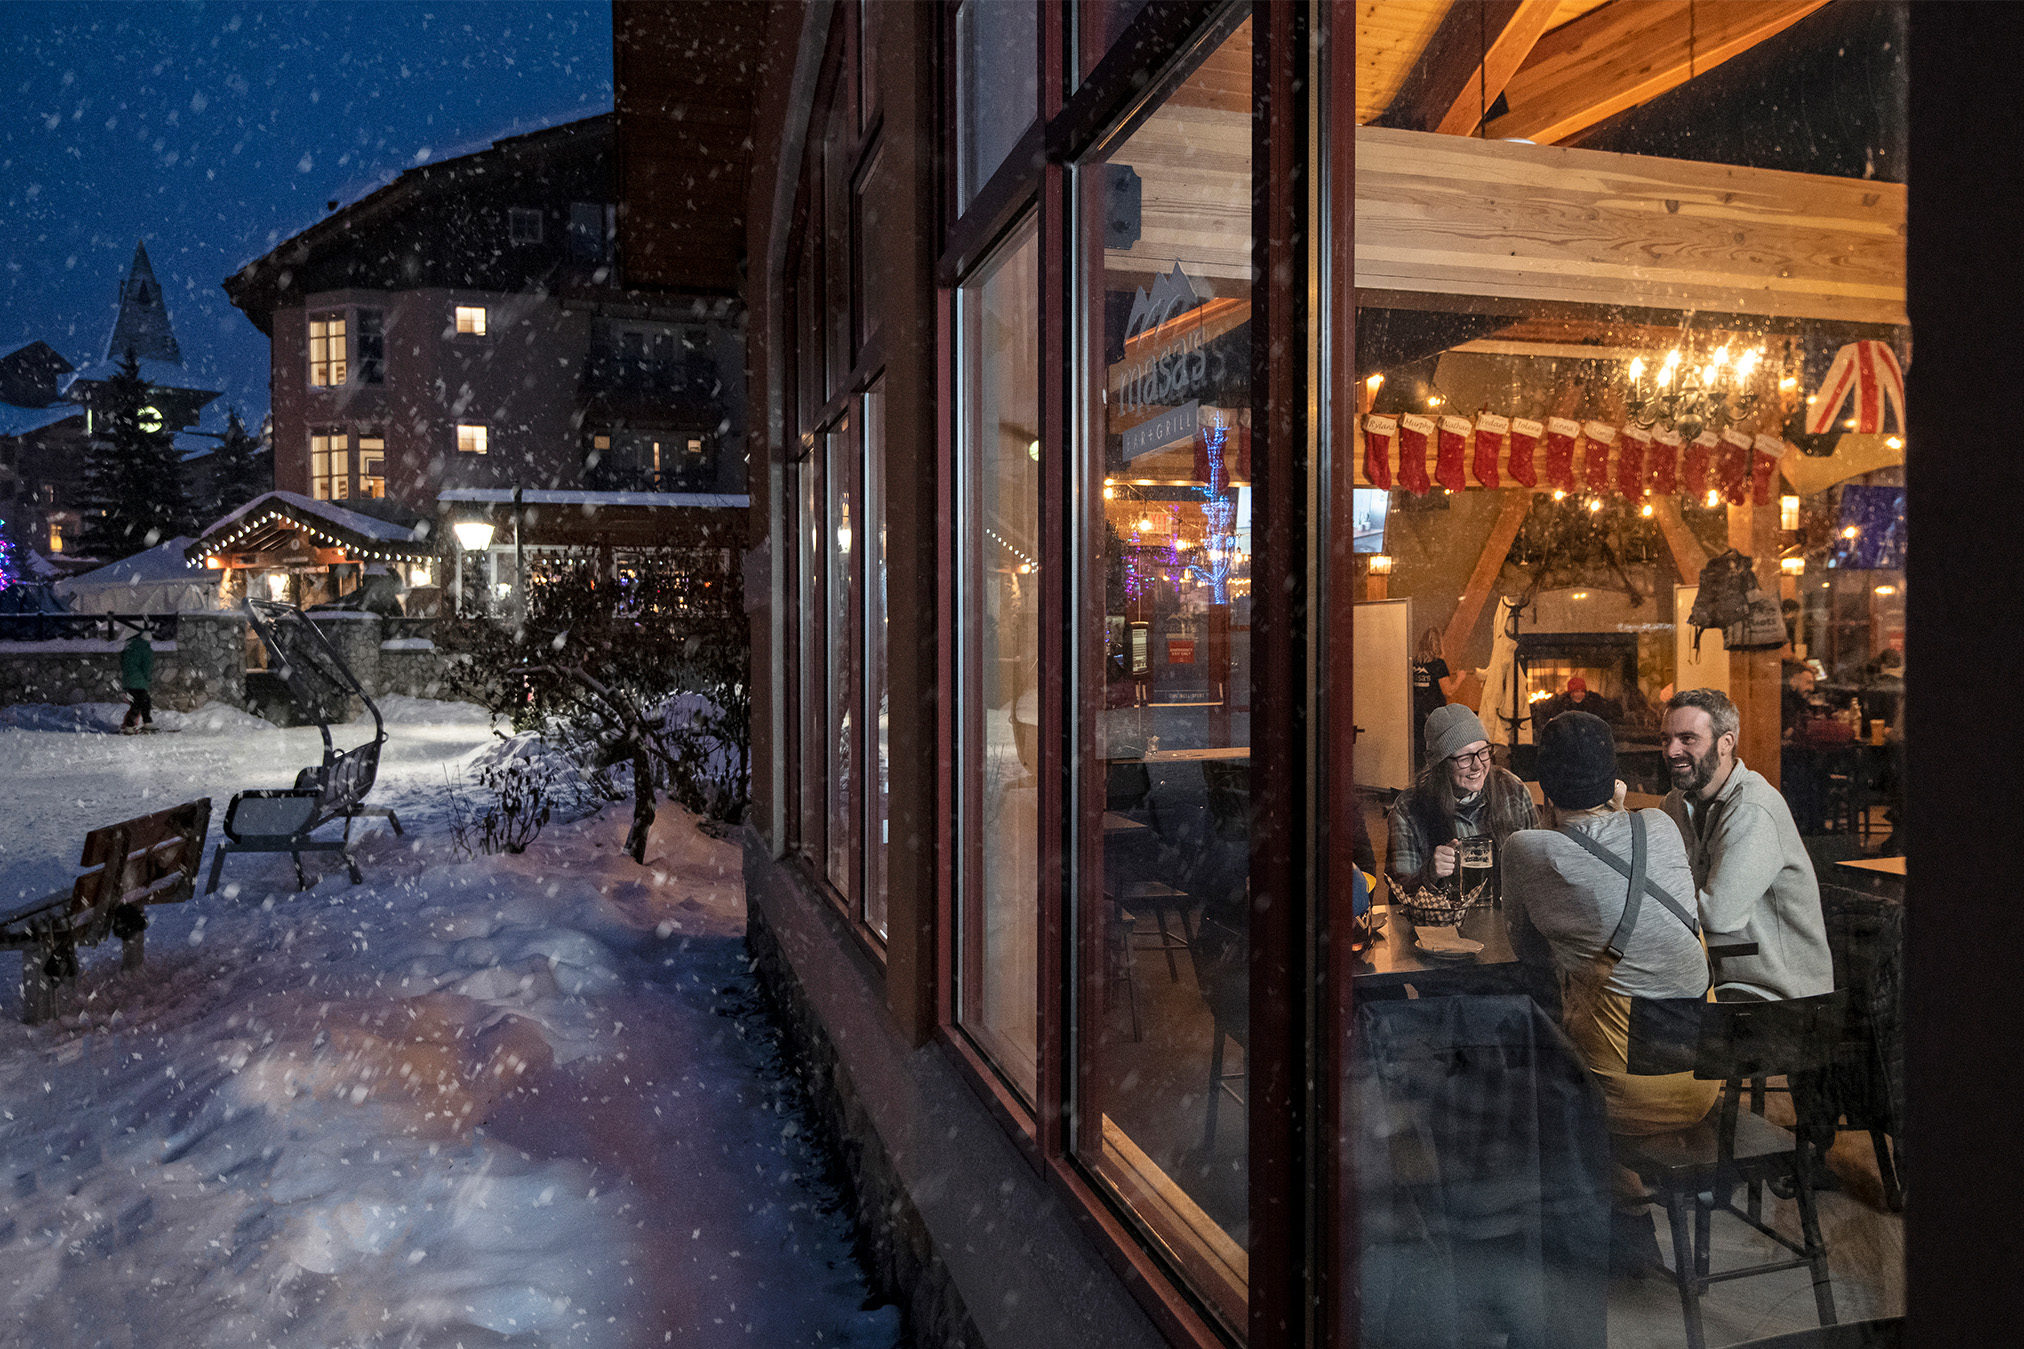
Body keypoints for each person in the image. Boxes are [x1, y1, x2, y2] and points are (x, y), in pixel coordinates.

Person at [1504, 711, 1717, 1271]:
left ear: (1544, 787)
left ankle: (1583, 1231)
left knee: (1528, 1061)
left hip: (1621, 1096)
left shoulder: (1528, 848)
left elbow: (1527, 952)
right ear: (1615, 779)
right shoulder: (1662, 825)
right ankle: (1629, 1218)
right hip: (1704, 1077)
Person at [1659, 688, 1831, 1001]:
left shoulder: (1753, 807)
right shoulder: (1674, 804)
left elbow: (1718, 916)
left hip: (1778, 997)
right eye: (1665, 739)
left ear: (1726, 742)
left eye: (1687, 739)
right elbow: (1655, 884)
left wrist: (1652, 905)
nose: (1672, 751)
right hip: (1715, 982)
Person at [1387, 704, 1537, 902]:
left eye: (1483, 752)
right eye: (1464, 758)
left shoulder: (1512, 789)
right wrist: (1429, 874)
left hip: (1506, 916)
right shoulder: (1409, 808)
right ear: (1440, 764)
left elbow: (1540, 866)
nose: (1478, 765)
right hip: (1443, 921)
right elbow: (1398, 896)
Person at [1409, 627, 1451, 771]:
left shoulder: (1414, 663)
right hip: (1434, 714)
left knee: (1418, 753)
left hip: (1416, 714)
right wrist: (1461, 678)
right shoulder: (1439, 664)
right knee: (1434, 752)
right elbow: (1448, 691)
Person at [120, 630, 155, 734]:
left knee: (142, 701)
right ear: (149, 640)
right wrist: (147, 678)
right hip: (139, 681)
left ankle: (146, 722)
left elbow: (123, 662)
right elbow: (147, 667)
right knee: (140, 703)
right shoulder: (146, 649)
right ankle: (130, 726)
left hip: (127, 681)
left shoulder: (129, 647)